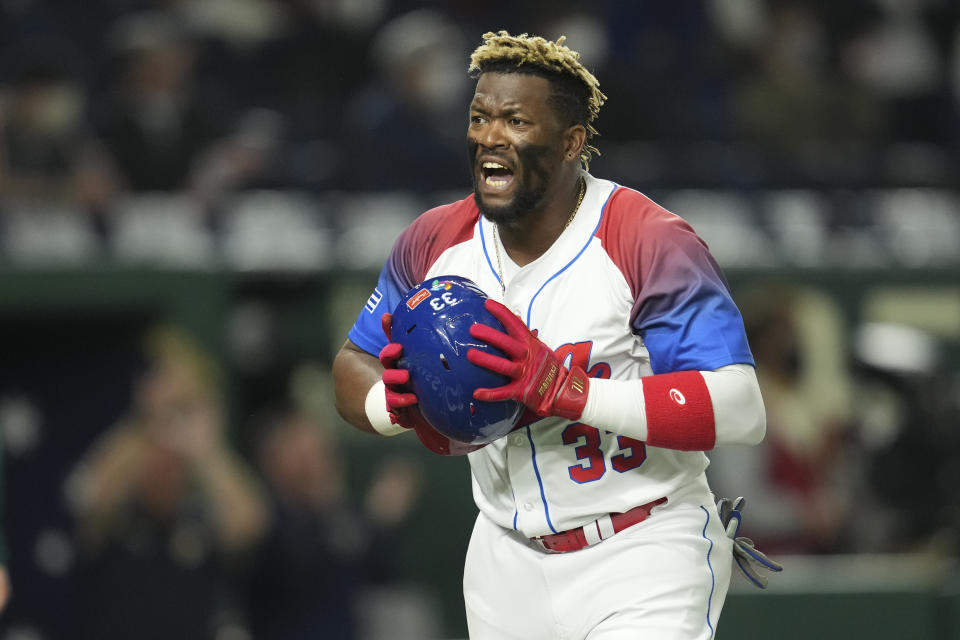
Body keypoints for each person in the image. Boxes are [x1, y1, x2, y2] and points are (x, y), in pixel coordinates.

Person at [332, 31, 772, 639]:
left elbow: (742, 410)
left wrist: (572, 392)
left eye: (515, 120)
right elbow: (353, 362)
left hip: (643, 546)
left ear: (572, 142)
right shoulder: (433, 240)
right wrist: (391, 405)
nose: (490, 136)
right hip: (503, 558)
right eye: (479, 117)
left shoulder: (645, 238)